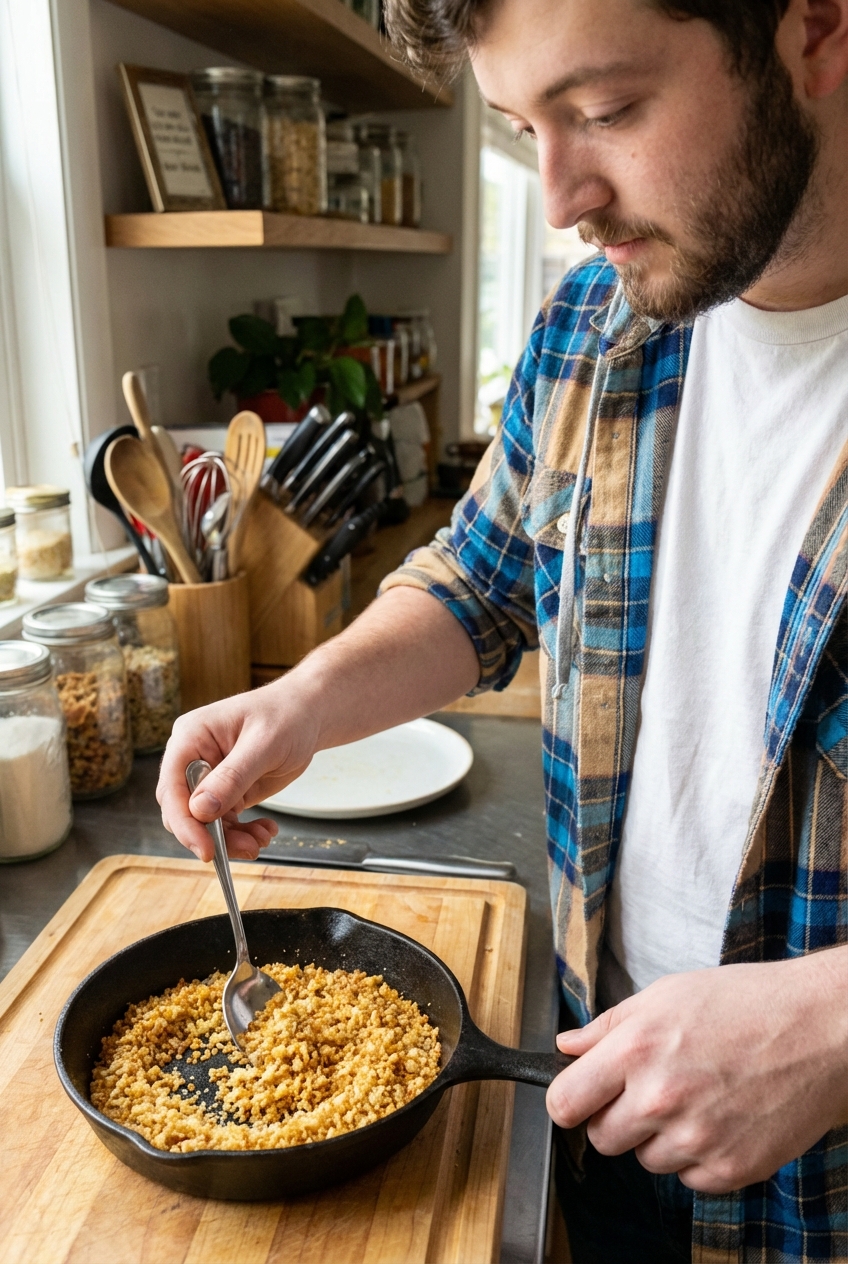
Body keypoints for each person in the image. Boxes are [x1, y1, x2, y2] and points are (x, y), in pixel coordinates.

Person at [157, 0, 848, 1258]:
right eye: (523, 124)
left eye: (603, 110)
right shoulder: (593, 324)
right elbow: (478, 580)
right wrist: (303, 700)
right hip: (593, 1094)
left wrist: (832, 1025)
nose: (559, 196)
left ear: (813, 28)